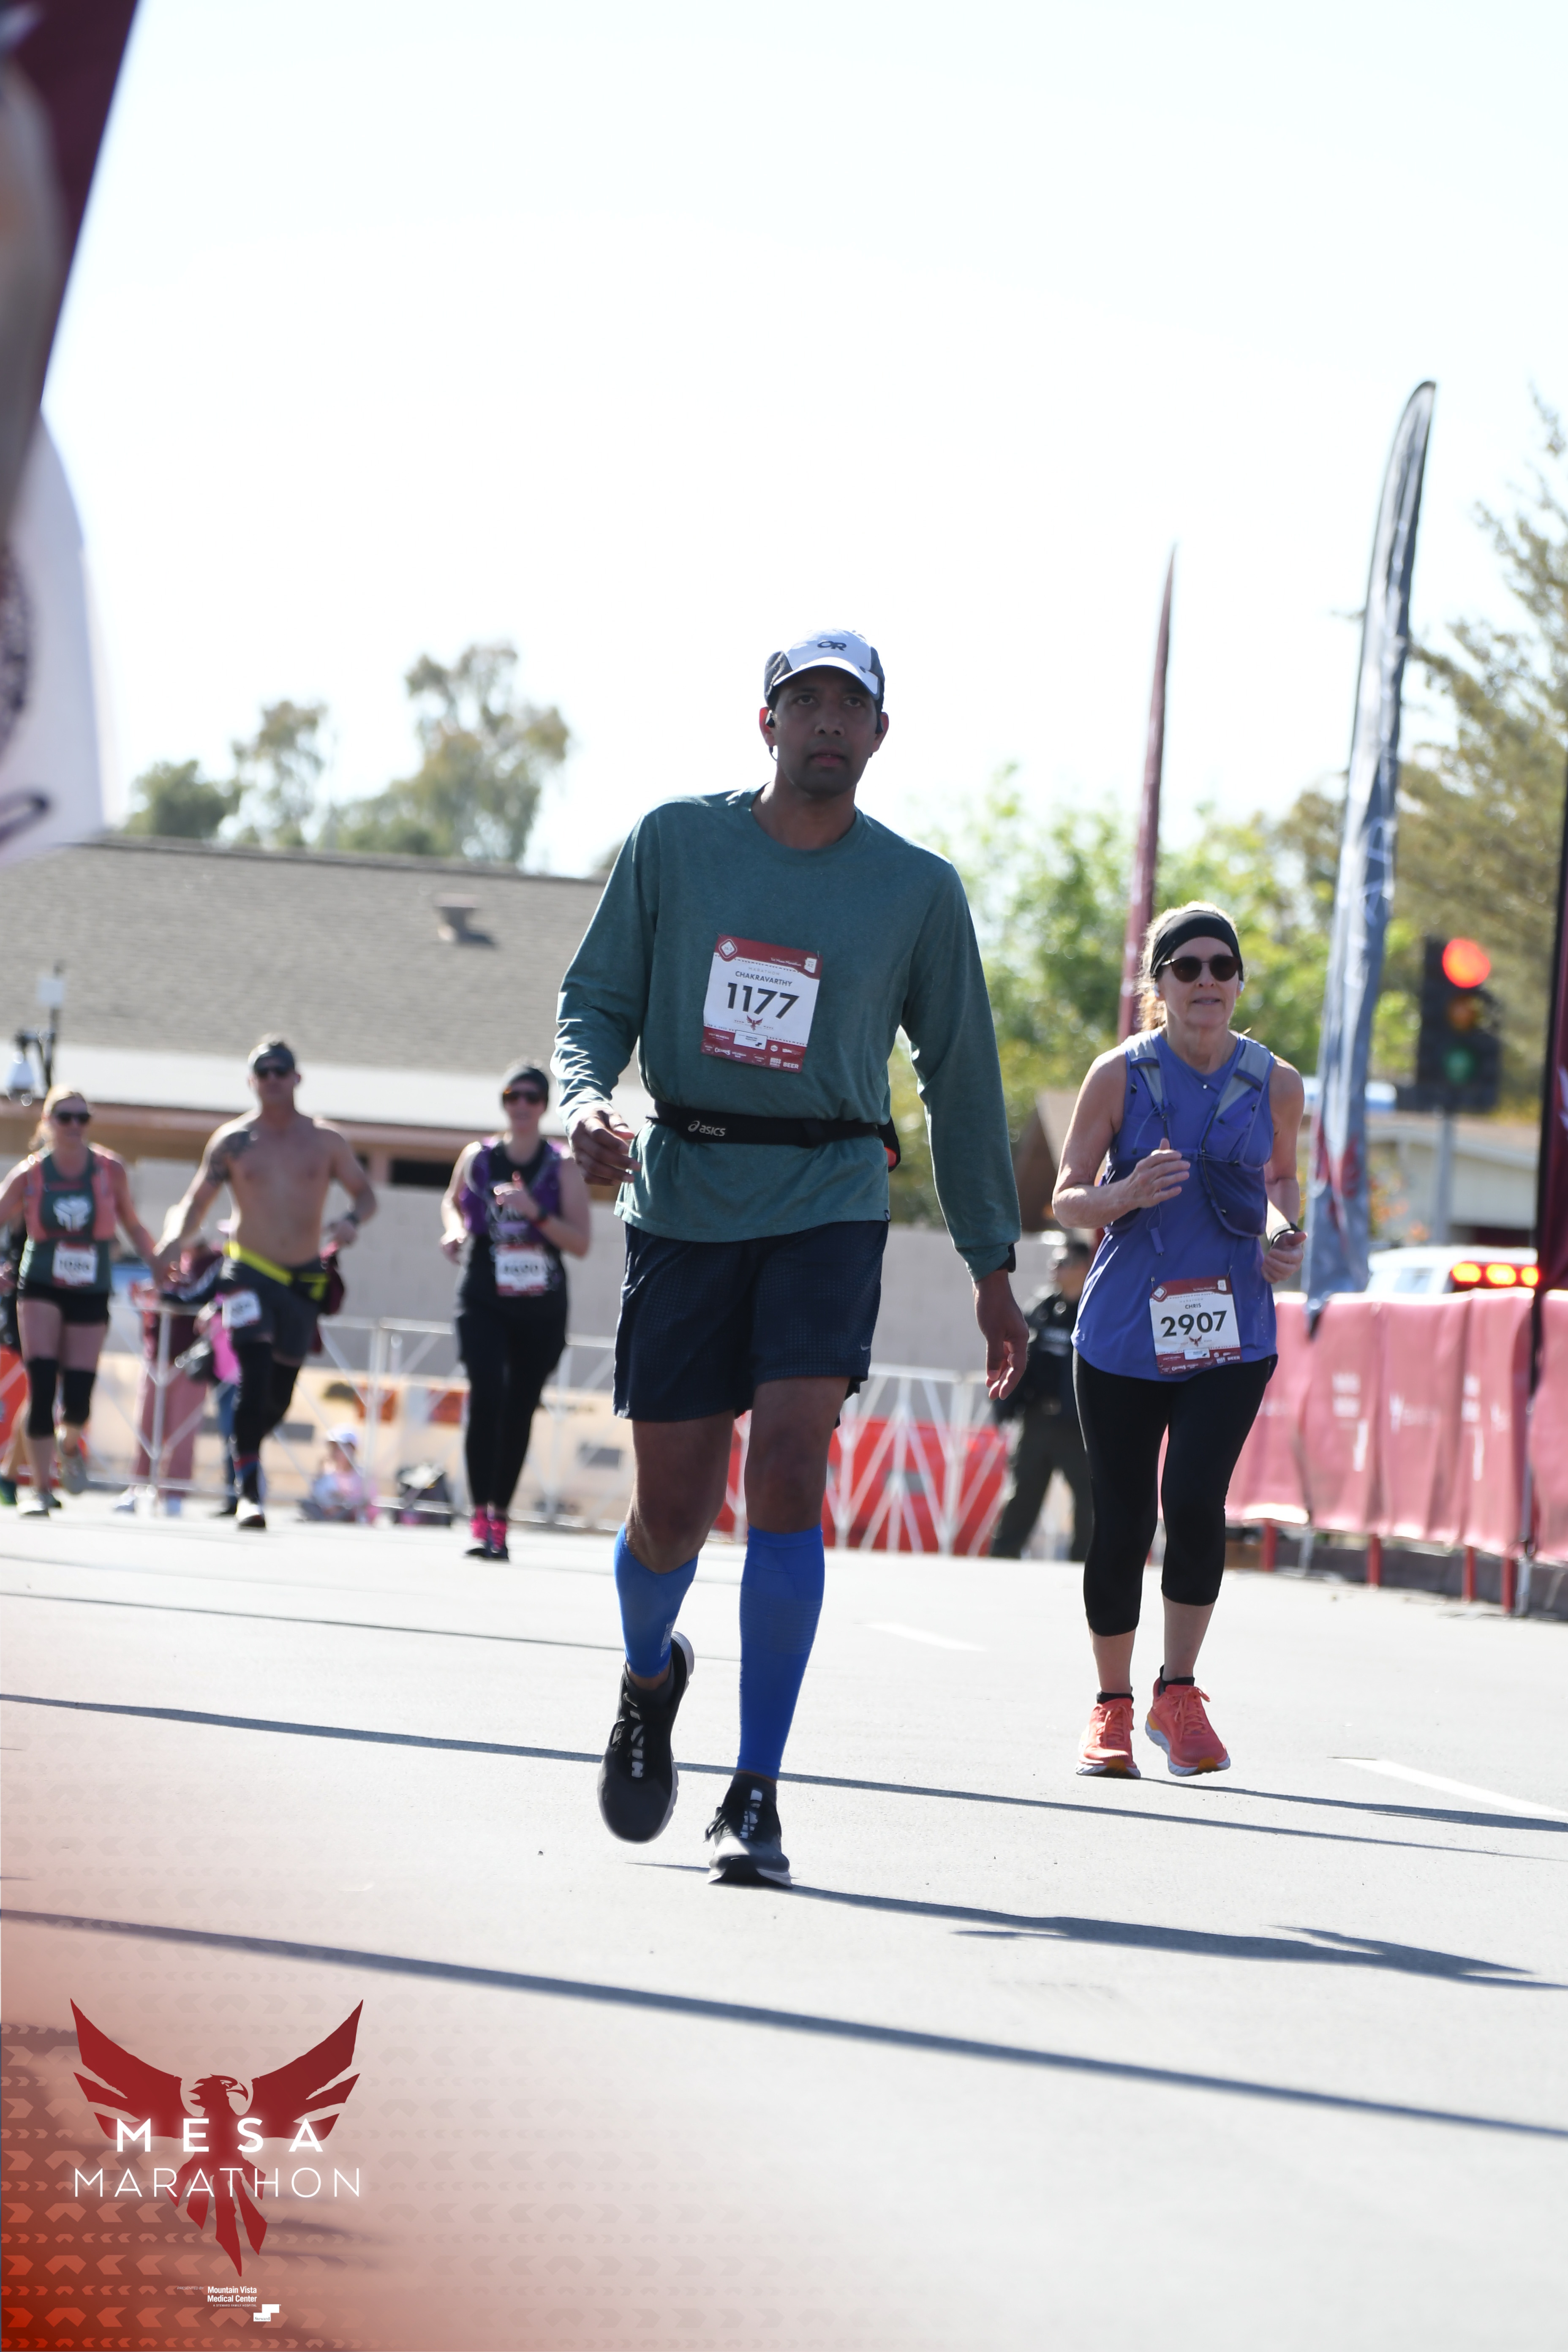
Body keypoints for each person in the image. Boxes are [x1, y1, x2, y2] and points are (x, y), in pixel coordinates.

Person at [556, 628, 1028, 1887]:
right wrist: (585, 1099)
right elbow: (593, 1000)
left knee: (788, 1470)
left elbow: (962, 1079)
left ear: (879, 733)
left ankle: (754, 1789)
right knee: (671, 1509)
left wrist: (990, 1265)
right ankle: (647, 1675)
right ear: (765, 722)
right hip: (686, 1191)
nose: (826, 720)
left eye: (848, 705)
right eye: (803, 700)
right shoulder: (675, 842)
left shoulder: (915, 889)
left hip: (829, 1193)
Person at [1052, 902, 1306, 1779]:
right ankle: (1110, 1704)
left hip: (1230, 1332)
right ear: (1156, 984)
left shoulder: (1275, 1083)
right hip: (1124, 1334)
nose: (1206, 981)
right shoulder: (1118, 1075)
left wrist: (1282, 1236)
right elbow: (1065, 1196)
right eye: (1186, 967)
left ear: (1238, 983)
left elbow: (1281, 1183)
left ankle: (1179, 1690)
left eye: (1221, 966)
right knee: (1123, 1517)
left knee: (1195, 1501)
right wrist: (1120, 1194)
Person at [152, 1039, 376, 1532]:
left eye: (281, 1071)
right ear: (252, 1081)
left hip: (302, 1277)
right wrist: (171, 1243)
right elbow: (195, 1202)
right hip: (246, 1272)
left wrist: (350, 1221)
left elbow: (365, 1195)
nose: (273, 1079)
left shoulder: (325, 1140)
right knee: (252, 1380)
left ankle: (245, 1451)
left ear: (297, 1078)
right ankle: (250, 1496)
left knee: (278, 1395)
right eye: (263, 1072)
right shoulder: (233, 1141)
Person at [439, 1061, 591, 1560]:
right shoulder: (479, 1157)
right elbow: (453, 1201)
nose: (521, 1105)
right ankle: (478, 1516)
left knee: (519, 1406)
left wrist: (534, 1212)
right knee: (486, 1395)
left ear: (544, 1105)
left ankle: (501, 1520)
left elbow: (581, 1242)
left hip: (539, 1301)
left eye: (531, 1097)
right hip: (484, 1291)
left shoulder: (562, 1165)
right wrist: (455, 1229)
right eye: (512, 1096)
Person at [0, 1084, 159, 1516]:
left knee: (79, 1397)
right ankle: (41, 1490)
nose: (74, 1125)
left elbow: (132, 1223)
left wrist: (159, 1263)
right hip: (41, 1285)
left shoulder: (109, 1169)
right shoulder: (31, 1173)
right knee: (41, 1384)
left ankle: (69, 1446)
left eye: (82, 1118)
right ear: (47, 1122)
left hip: (90, 1288)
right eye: (64, 1117)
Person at [989, 1236, 1095, 1561]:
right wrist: (1005, 1404)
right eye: (1054, 1262)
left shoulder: (1095, 1313)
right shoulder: (1041, 1309)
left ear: (1083, 1268)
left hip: (1077, 1427)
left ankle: (1086, 1568)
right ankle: (1001, 1560)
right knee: (1022, 1494)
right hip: (1036, 1420)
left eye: (1063, 1263)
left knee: (1090, 1500)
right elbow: (1014, 1358)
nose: (1054, 1268)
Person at [114, 1240, 223, 1516]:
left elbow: (200, 1297)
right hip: (156, 1355)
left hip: (190, 1359)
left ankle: (174, 1492)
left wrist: (170, 1295)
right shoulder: (165, 1258)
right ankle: (137, 1487)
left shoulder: (213, 1262)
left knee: (182, 1431)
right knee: (146, 1424)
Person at [300, 1425, 376, 1522]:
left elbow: (372, 1511)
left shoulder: (362, 1476)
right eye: (333, 1448)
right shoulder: (327, 1473)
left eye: (339, 1449)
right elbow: (317, 1496)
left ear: (352, 1449)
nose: (334, 1453)